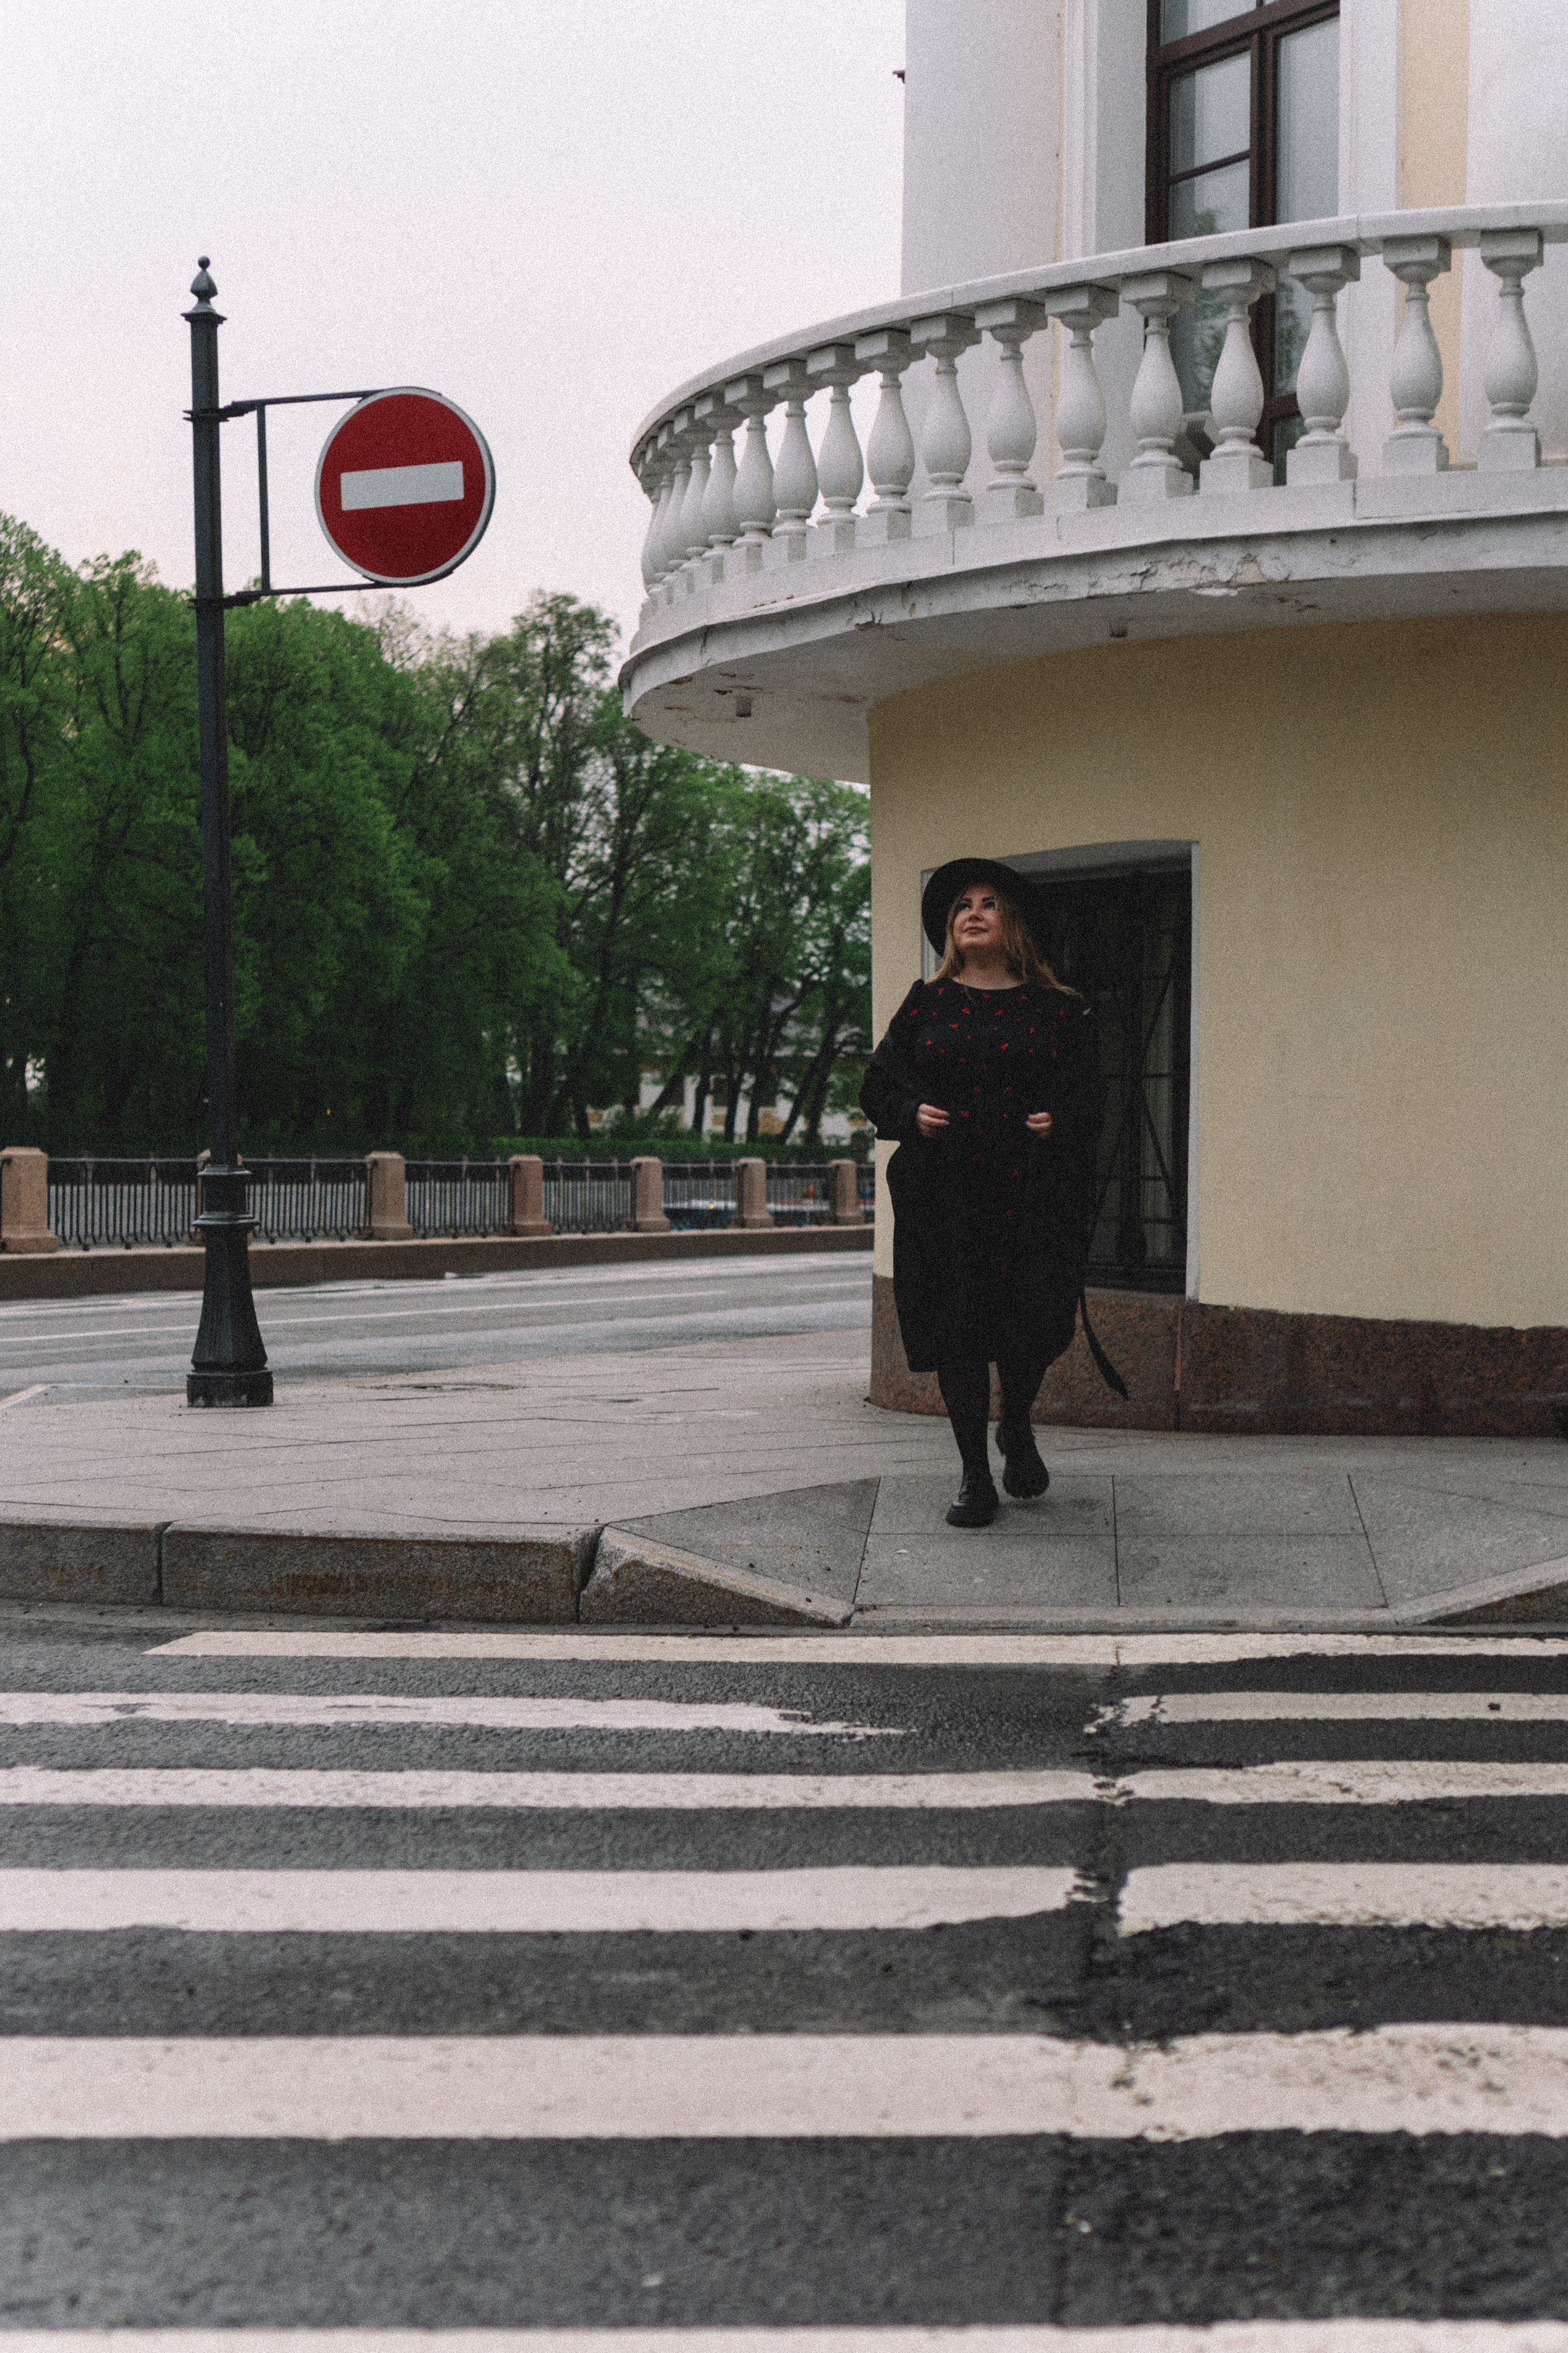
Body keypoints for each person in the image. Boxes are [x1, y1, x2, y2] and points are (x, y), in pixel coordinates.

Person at [859, 857, 1115, 1529]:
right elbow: (877, 1087)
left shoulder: (1058, 1008)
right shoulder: (925, 1003)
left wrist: (1061, 1118)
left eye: (988, 903)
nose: (972, 913)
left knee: (1032, 1327)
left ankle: (1017, 1420)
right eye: (961, 906)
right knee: (959, 1334)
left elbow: (1092, 1094)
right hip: (945, 1197)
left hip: (1033, 1195)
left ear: (1013, 923)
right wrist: (910, 1112)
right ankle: (974, 1473)